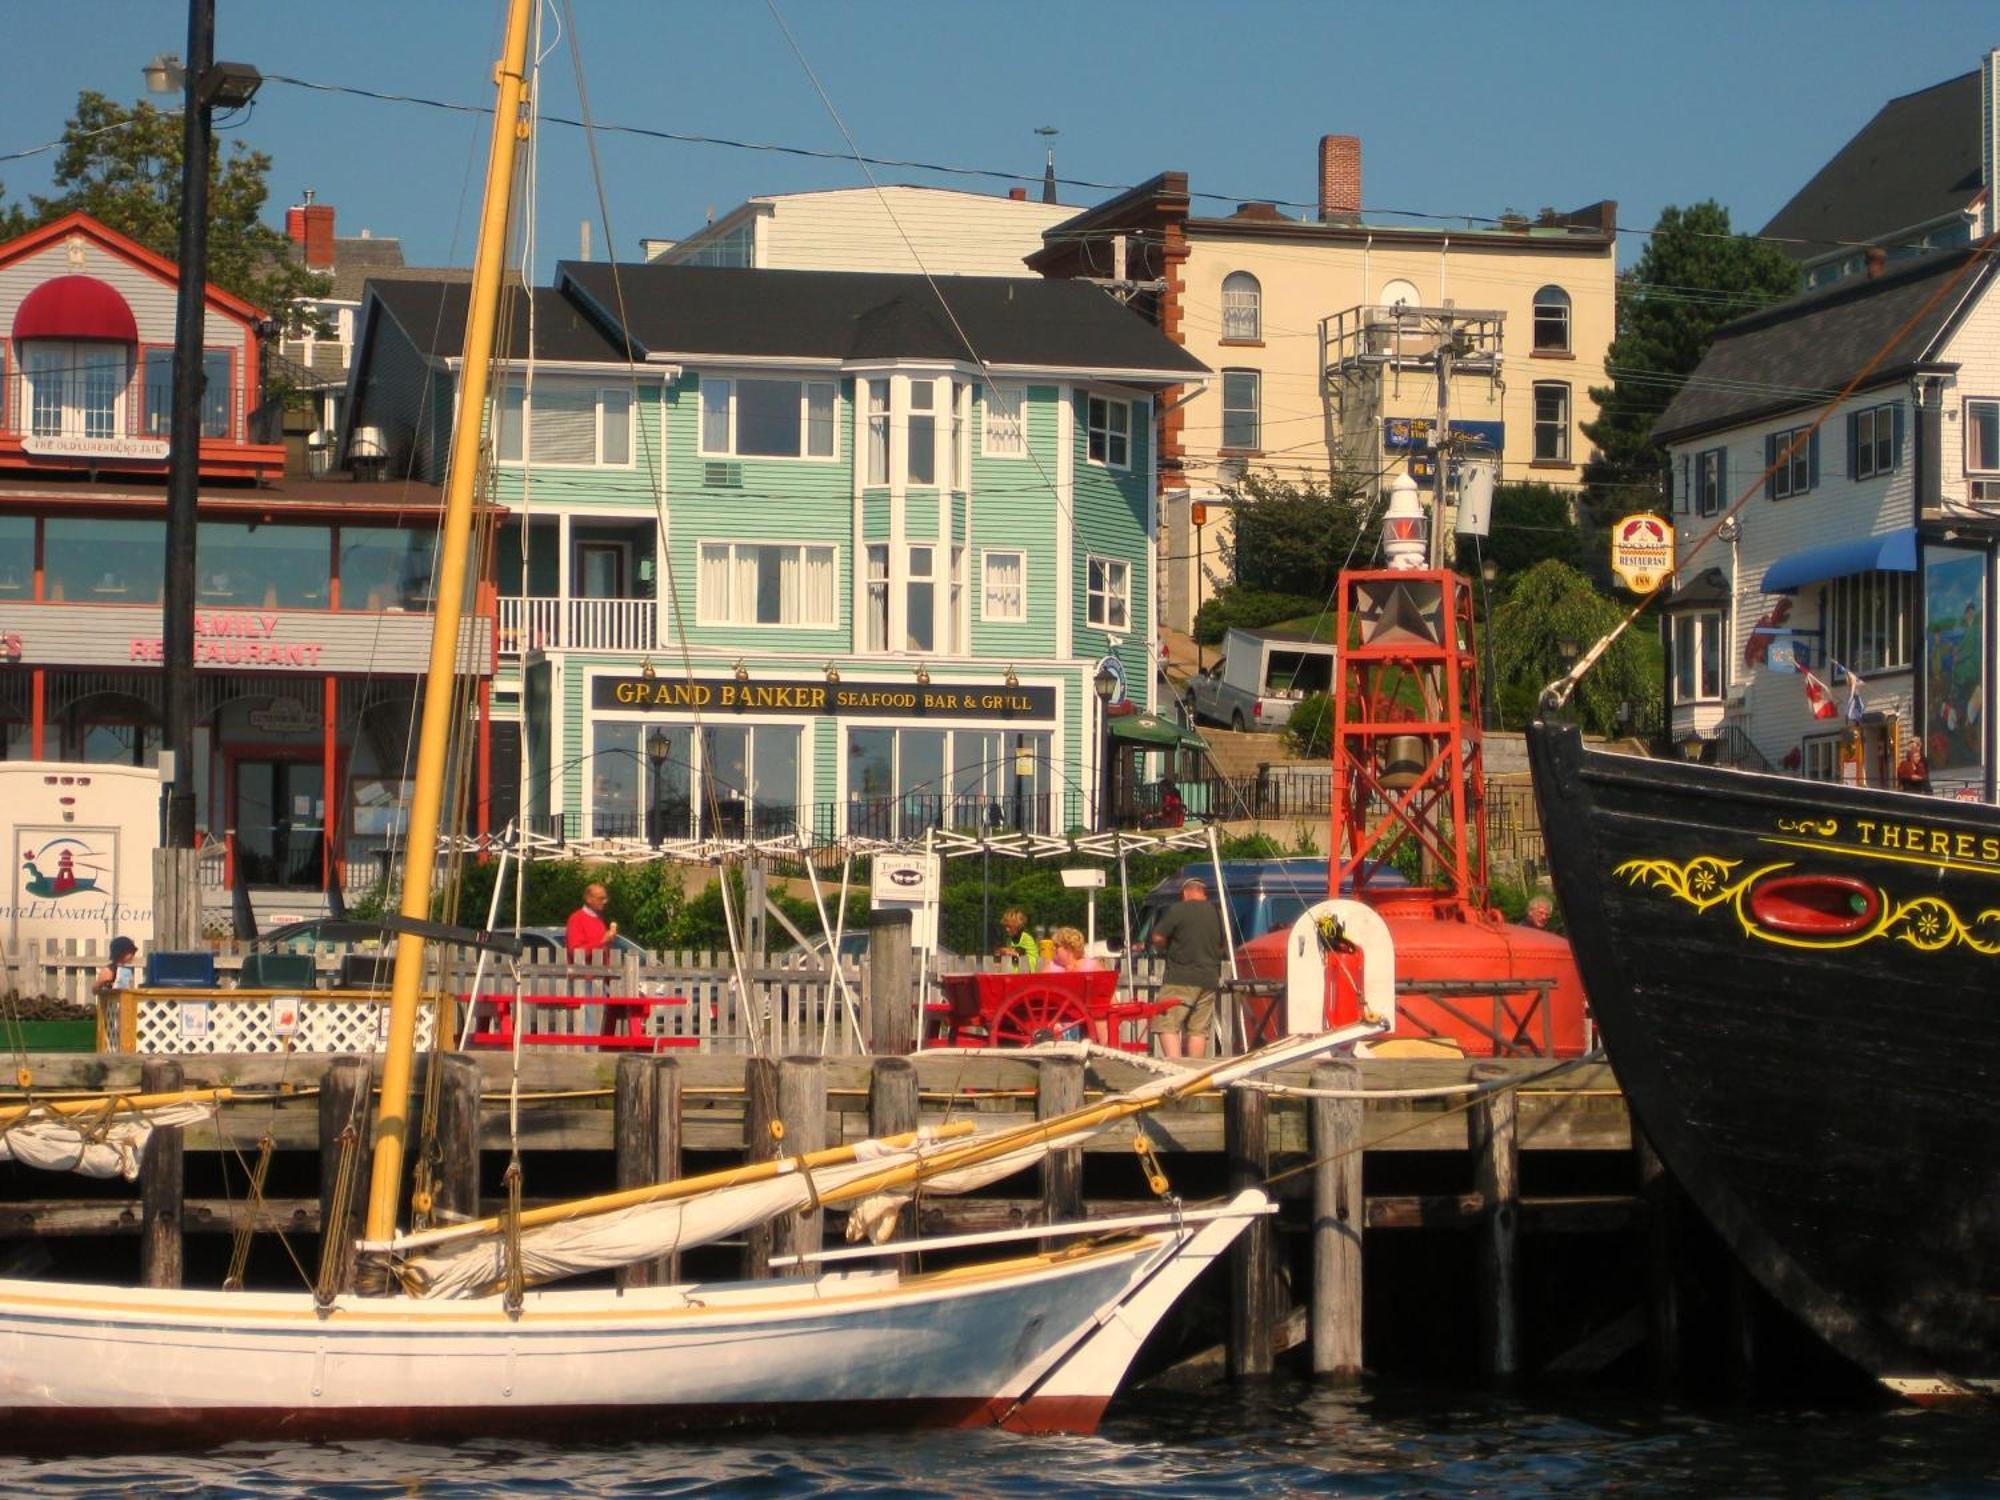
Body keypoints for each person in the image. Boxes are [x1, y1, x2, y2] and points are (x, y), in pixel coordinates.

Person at [1149, 878, 1226, 1059]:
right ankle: (1194, 1072)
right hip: (1209, 979)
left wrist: (1165, 948)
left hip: (1180, 977)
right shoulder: (1216, 912)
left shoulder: (1179, 909)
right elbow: (1222, 944)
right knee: (1198, 1029)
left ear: (1185, 893)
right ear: (1203, 892)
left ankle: (1175, 1069)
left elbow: (1158, 937)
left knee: (1165, 1021)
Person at [94, 935, 138, 1051]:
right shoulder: (109, 970)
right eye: (131, 952)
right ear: (122, 953)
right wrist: (104, 984)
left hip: (123, 1009)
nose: (133, 955)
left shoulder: (126, 971)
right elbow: (95, 988)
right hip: (110, 1009)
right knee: (111, 1038)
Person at [565, 882, 618, 953]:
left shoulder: (599, 918)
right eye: (601, 898)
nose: (605, 902)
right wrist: (603, 941)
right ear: (588, 899)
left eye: (606, 898)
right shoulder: (576, 919)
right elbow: (575, 951)